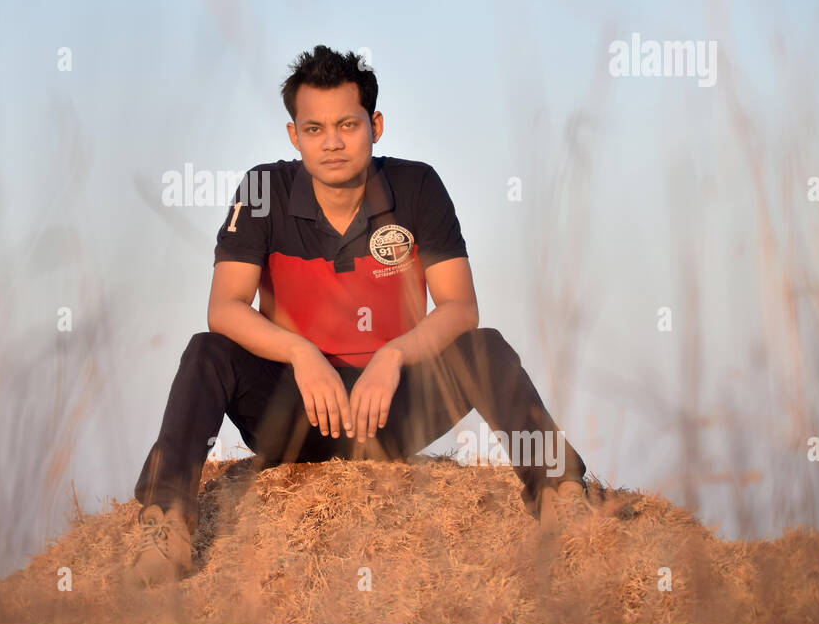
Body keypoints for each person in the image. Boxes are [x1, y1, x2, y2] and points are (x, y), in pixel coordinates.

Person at [129, 45, 591, 587]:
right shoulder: (262, 191)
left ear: (374, 125)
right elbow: (224, 309)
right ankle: (166, 522)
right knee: (207, 351)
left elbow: (460, 308)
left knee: (484, 347)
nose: (331, 142)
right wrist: (301, 354)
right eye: (314, 127)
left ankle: (562, 493)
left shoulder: (418, 187)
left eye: (347, 124)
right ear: (293, 135)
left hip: (389, 413)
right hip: (293, 414)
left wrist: (393, 356)